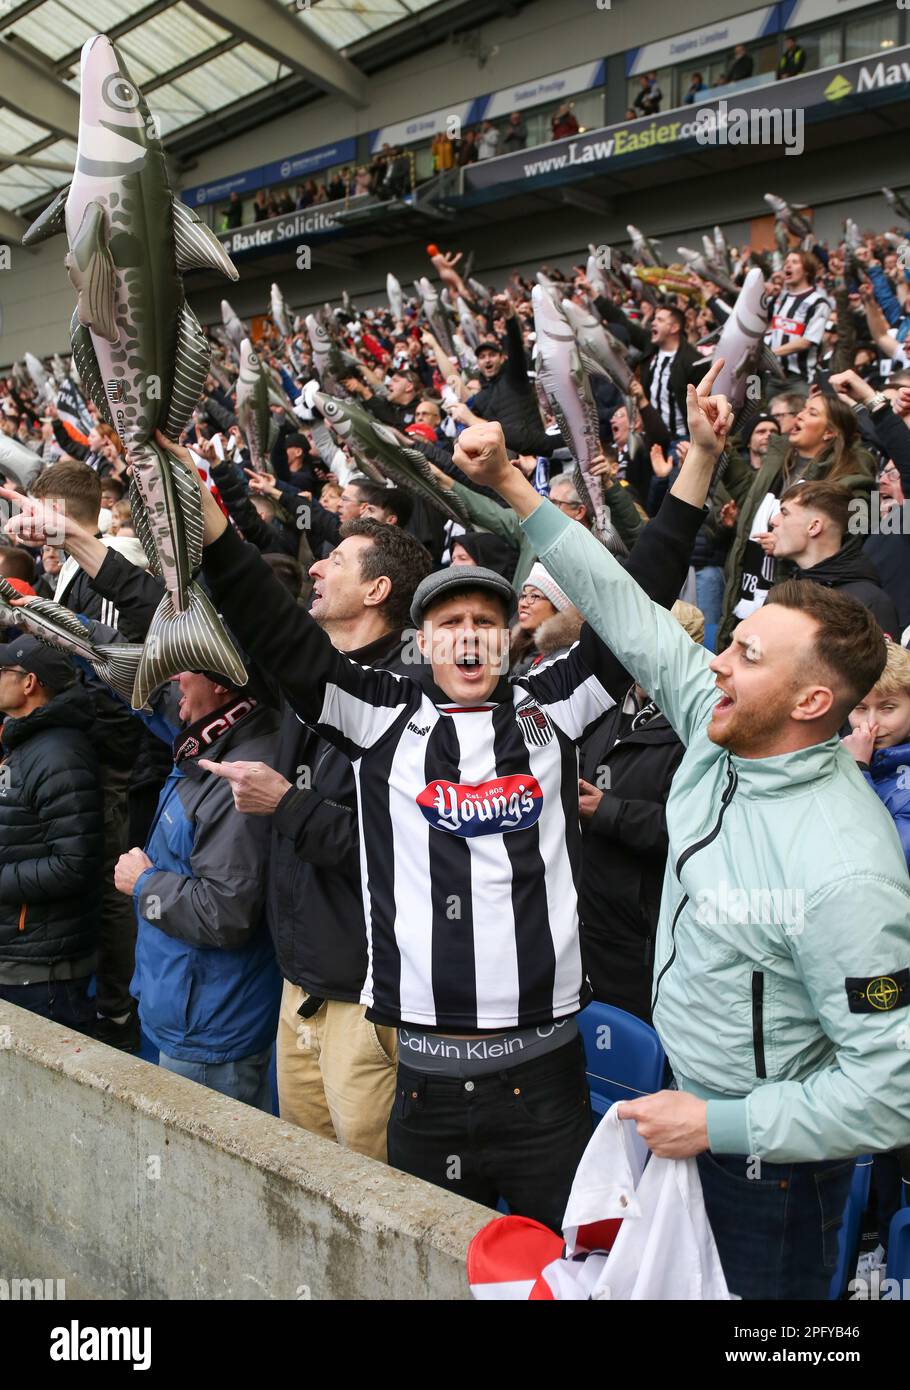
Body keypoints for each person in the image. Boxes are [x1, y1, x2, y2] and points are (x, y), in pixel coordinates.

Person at [453, 373, 910, 1302]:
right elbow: (619, 603)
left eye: (746, 655)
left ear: (813, 702)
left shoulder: (845, 869)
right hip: (680, 1115)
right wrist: (511, 487)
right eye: (731, 641)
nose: (712, 662)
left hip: (768, 1172)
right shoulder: (720, 712)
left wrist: (722, 1125)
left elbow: (891, 1088)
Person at [190, 418, 709, 1231]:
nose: (468, 634)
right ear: (422, 638)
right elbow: (278, 632)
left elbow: (634, 597)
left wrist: (702, 461)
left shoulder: (556, 707)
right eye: (449, 622)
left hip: (547, 1087)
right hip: (424, 1090)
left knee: (572, 1273)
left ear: (508, 640)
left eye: (485, 621)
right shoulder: (376, 712)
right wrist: (211, 512)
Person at [718, 392, 876, 650]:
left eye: (812, 413)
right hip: (744, 593)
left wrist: (789, 543)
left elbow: (845, 538)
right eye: (802, 409)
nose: (799, 415)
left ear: (829, 433)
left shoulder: (848, 480)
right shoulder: (779, 462)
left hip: (788, 601)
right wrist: (720, 444)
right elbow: (745, 489)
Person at [0, 638, 102, 1033]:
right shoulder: (27, 744)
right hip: (23, 961)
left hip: (43, 976)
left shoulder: (58, 753)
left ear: (29, 683)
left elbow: (75, 864)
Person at [765, 481, 899, 636]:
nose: (773, 520)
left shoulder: (871, 603)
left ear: (814, 527)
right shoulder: (787, 590)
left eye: (785, 512)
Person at [765, 252, 830, 381]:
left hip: (799, 377)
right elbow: (769, 328)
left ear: (807, 271)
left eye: (794, 262)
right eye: (786, 262)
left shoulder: (818, 303)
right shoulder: (780, 297)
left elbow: (806, 342)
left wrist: (769, 354)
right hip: (772, 374)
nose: (788, 266)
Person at [642, 306, 702, 444]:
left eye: (660, 320)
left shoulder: (693, 361)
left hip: (678, 440)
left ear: (674, 328)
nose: (653, 322)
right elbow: (624, 323)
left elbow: (701, 405)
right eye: (654, 318)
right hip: (650, 436)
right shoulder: (652, 349)